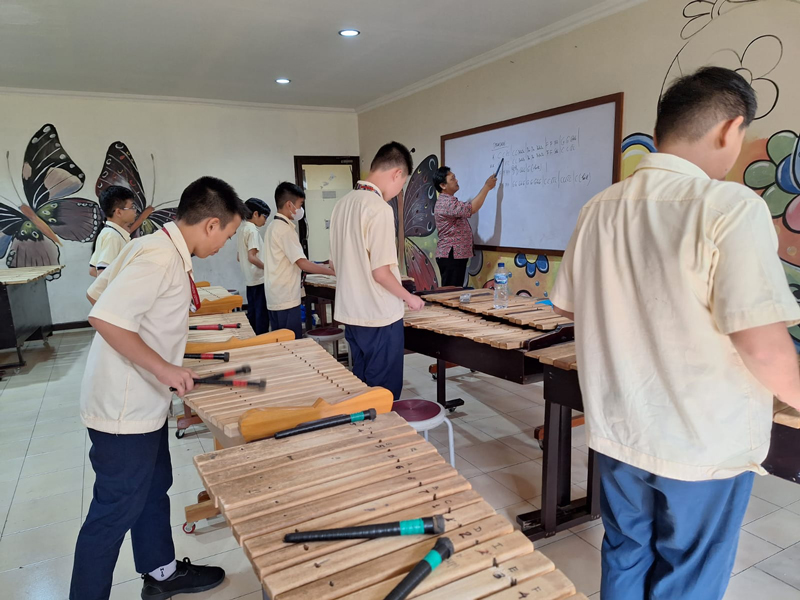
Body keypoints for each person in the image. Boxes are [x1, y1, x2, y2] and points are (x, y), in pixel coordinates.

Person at [550, 66, 800, 600]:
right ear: (731, 129)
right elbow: (761, 343)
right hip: (700, 444)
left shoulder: (596, 210)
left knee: (625, 552)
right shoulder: (730, 208)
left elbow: (570, 308)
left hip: (620, 430)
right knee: (687, 574)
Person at [71, 176, 249, 600]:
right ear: (210, 224)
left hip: (141, 401)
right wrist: (163, 368)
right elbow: (106, 318)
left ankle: (162, 573)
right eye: (227, 234)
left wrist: (154, 350)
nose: (224, 244)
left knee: (153, 487)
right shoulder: (157, 256)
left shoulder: (152, 246)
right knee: (113, 513)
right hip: (122, 410)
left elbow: (98, 293)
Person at [329, 142, 425, 399]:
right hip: (379, 316)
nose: (396, 192)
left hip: (352, 314)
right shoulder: (378, 208)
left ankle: (367, 436)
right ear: (396, 174)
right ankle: (385, 438)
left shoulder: (342, 205)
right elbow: (381, 272)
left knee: (362, 388)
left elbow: (334, 265)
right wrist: (409, 297)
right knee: (384, 393)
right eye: (401, 185)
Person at [264, 182, 334, 340]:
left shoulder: (273, 226)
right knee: (291, 343)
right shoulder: (284, 230)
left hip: (275, 296)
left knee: (280, 343)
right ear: (289, 205)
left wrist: (322, 264)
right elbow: (302, 263)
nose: (301, 209)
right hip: (286, 299)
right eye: (300, 204)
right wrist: (331, 272)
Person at [432, 167, 496, 287]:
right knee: (450, 295)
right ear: (443, 185)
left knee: (453, 292)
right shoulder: (446, 203)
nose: (456, 181)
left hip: (454, 255)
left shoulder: (449, 201)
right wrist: (487, 187)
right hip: (451, 256)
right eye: (452, 179)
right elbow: (471, 209)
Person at [237, 197, 271, 334]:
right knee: (262, 315)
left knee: (253, 313)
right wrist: (269, 268)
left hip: (249, 280)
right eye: (265, 216)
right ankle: (262, 343)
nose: (265, 220)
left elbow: (240, 257)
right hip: (259, 279)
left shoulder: (242, 229)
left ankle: (253, 341)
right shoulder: (252, 230)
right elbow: (252, 257)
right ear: (256, 214)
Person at [89, 185, 138, 277]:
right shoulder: (112, 236)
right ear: (119, 212)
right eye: (132, 207)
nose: (135, 210)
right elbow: (103, 274)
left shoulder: (112, 233)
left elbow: (93, 269)